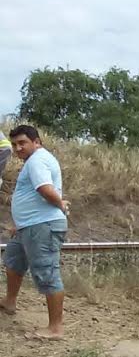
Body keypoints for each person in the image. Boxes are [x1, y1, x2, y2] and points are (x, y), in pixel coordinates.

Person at [1, 125, 69, 339]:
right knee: (13, 261)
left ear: (36, 142)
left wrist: (61, 204)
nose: (18, 148)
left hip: (43, 226)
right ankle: (9, 302)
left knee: (47, 272)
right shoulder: (34, 161)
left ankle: (55, 328)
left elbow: (44, 188)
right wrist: (19, 224)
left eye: (23, 143)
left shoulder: (38, 159)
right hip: (29, 227)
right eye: (14, 144)